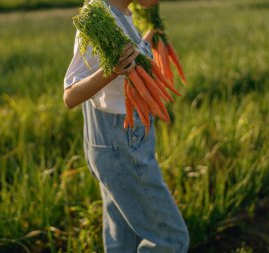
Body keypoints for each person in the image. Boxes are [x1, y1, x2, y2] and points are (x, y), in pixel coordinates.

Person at [63, 0, 190, 252]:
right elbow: (70, 96)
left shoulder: (123, 13)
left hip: (122, 144)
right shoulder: (97, 20)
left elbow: (125, 54)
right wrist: (113, 70)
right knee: (171, 240)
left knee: (123, 239)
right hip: (121, 145)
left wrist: (146, 42)